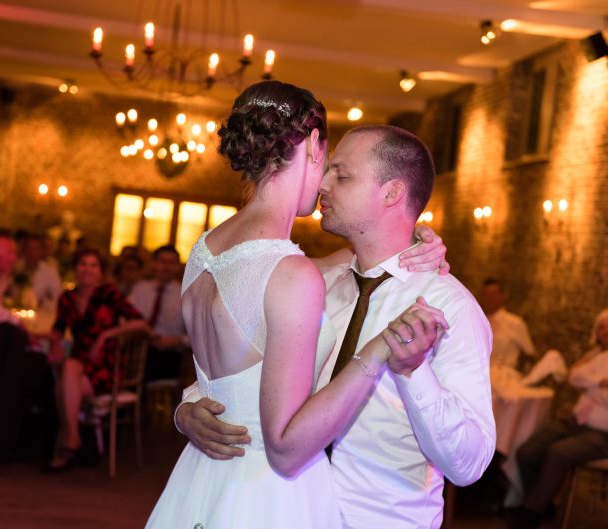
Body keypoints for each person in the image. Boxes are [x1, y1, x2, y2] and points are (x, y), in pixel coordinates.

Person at [146, 81, 449, 529]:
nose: (327, 181)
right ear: (311, 145)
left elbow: (232, 366)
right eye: (329, 163)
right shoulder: (290, 273)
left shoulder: (206, 249)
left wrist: (416, 241)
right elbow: (286, 449)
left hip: (202, 477)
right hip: (267, 495)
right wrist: (378, 350)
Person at [44, 248, 149, 472]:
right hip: (80, 366)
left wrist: (105, 336)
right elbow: (58, 329)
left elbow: (140, 323)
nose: (88, 269)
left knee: (64, 380)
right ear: (75, 268)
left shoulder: (108, 294)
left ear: (100, 271)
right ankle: (72, 439)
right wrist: (53, 343)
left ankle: (67, 444)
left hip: (106, 366)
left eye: (93, 265)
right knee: (68, 372)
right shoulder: (67, 298)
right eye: (83, 264)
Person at [508, 309, 608, 529]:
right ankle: (540, 503)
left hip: (601, 434)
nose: (605, 331)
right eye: (601, 326)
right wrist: (598, 383)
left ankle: (531, 513)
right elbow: (573, 376)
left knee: (558, 453)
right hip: (575, 422)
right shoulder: (596, 356)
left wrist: (589, 384)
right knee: (528, 452)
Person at [128, 245, 187, 381]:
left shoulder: (184, 294)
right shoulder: (140, 289)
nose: (166, 267)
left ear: (178, 267)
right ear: (154, 264)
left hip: (169, 353)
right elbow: (125, 318)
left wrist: (177, 340)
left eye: (171, 263)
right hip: (137, 348)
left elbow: (196, 333)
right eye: (162, 261)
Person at [480, 277, 535, 371]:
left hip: (505, 375)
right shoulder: (480, 323)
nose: (490, 298)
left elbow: (529, 354)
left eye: (493, 294)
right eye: (486, 295)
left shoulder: (515, 322)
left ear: (502, 296)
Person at [14, 234, 63, 311]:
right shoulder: (15, 269)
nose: (32, 253)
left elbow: (59, 299)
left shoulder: (50, 273)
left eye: (35, 249)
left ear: (41, 251)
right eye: (28, 248)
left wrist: (42, 303)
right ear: (23, 250)